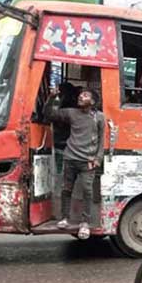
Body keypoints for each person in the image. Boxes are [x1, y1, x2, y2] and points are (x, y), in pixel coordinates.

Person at [44, 88, 104, 238]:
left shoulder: (99, 117)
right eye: (80, 94)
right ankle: (64, 218)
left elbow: (102, 140)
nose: (80, 97)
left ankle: (85, 223)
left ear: (93, 102)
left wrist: (98, 159)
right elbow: (49, 114)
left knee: (87, 191)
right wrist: (52, 98)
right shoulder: (71, 113)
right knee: (66, 189)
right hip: (70, 158)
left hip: (88, 161)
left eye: (85, 95)